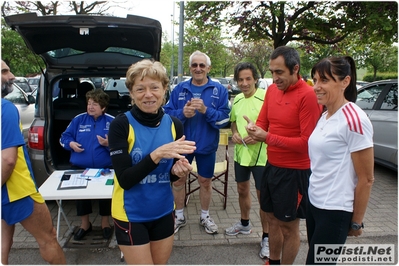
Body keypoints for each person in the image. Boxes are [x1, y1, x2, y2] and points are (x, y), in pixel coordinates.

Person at [108, 59, 196, 264]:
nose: (148, 94)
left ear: (164, 89)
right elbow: (125, 180)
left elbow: (171, 176)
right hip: (130, 214)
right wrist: (156, 155)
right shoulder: (120, 125)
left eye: (154, 87)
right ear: (131, 93)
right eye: (140, 89)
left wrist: (179, 173)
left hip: (164, 210)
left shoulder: (175, 125)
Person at [244, 46, 322, 265]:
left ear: (295, 69)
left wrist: (266, 137)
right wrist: (254, 128)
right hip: (272, 166)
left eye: (279, 72)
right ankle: (273, 261)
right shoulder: (272, 91)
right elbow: (263, 122)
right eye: (272, 72)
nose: (274, 78)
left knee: (289, 227)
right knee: (271, 219)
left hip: (295, 171)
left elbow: (307, 143)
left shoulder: (308, 95)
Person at [305, 56, 374, 264]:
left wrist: (356, 222)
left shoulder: (355, 119)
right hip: (314, 203)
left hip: (335, 210)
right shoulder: (325, 114)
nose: (316, 86)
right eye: (315, 80)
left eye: (324, 80)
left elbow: (367, 178)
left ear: (345, 82)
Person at [1, 60, 66, 264]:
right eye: (4, 72)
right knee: (48, 238)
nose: (11, 76)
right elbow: (8, 160)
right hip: (16, 188)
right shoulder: (5, 108)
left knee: (3, 238)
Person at [163, 50, 230, 234]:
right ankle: (179, 216)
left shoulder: (219, 90)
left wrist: (206, 111)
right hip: (183, 145)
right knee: (178, 181)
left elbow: (224, 120)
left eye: (202, 65)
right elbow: (166, 115)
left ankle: (205, 215)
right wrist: (182, 114)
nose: (198, 68)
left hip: (206, 145)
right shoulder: (179, 89)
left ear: (208, 68)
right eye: (195, 65)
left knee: (205, 181)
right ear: (190, 68)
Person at [224, 62, 270, 259]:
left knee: (263, 197)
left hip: (262, 155)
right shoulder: (237, 99)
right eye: (240, 79)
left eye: (248, 79)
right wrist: (234, 134)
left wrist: (261, 135)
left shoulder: (266, 98)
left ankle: (267, 237)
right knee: (242, 190)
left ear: (255, 80)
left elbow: (276, 125)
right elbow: (234, 122)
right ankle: (244, 224)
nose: (244, 83)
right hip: (241, 153)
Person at [59, 88, 114, 240]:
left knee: (105, 196)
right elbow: (64, 137)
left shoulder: (112, 121)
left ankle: (105, 223)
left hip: (105, 168)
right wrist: (70, 144)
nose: (90, 107)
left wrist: (109, 144)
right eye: (89, 103)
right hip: (80, 167)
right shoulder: (78, 119)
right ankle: (85, 224)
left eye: (94, 104)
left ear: (103, 107)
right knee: (81, 196)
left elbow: (123, 145)